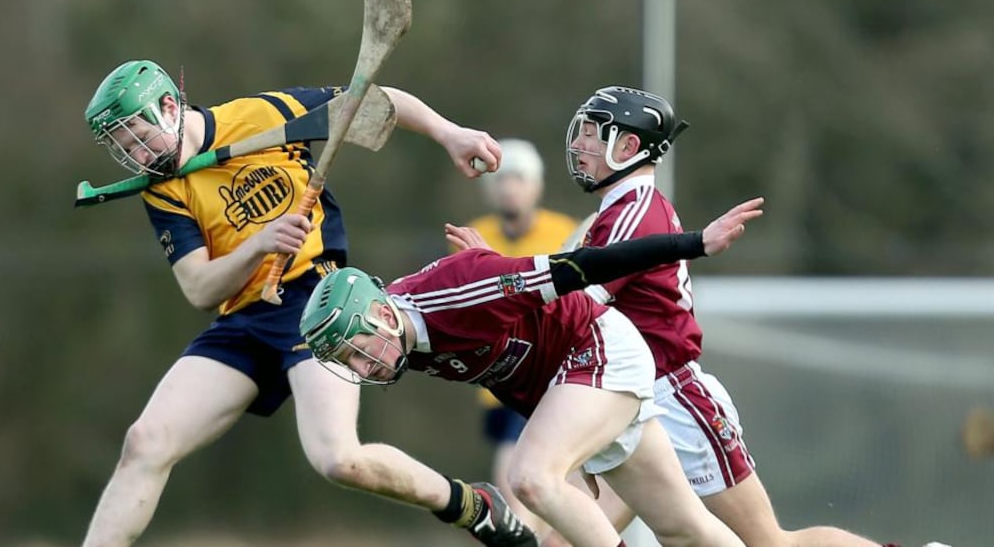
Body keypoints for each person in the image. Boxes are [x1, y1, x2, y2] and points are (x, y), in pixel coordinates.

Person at [79, 59, 538, 547]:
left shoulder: (265, 115)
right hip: (243, 319)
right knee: (144, 443)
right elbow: (199, 288)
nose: (138, 156)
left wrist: (450, 135)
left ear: (169, 106)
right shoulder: (163, 188)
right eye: (125, 150)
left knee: (339, 459)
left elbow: (374, 101)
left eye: (138, 138)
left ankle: (470, 505)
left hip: (319, 308)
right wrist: (258, 244)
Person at [562, 86, 937, 547]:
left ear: (629, 147)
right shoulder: (616, 211)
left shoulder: (633, 213)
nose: (580, 145)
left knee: (770, 544)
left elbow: (572, 306)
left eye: (594, 135)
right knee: (574, 535)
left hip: (671, 402)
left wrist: (494, 283)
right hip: (621, 398)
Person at [298, 196, 766, 547]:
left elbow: (582, 266)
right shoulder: (403, 340)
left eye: (358, 350)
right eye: (348, 362)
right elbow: (499, 351)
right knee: (683, 527)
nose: (362, 367)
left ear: (380, 314)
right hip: (571, 381)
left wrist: (696, 244)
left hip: (600, 348)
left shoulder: (458, 292)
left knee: (530, 477)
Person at [463, 138, 578, 537]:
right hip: (500, 380)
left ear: (536, 186)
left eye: (518, 178)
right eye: (502, 179)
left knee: (521, 480)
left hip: (552, 375)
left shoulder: (564, 232)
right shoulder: (474, 236)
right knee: (527, 485)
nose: (509, 187)